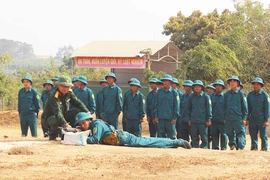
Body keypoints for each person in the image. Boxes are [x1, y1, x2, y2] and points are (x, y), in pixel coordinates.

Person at [74, 112, 191, 149]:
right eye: (80, 124)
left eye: (83, 122)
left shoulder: (96, 124)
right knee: (148, 143)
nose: (82, 125)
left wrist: (78, 137)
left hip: (124, 137)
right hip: (121, 139)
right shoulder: (93, 125)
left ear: (89, 120)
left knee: (148, 142)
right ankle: (174, 143)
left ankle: (177, 142)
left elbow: (94, 139)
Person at [41, 76, 90, 140]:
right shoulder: (53, 96)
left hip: (62, 115)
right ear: (58, 85)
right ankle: (52, 135)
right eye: (63, 86)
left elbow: (77, 103)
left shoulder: (69, 93)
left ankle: (72, 133)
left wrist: (87, 112)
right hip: (49, 119)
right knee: (56, 119)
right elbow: (57, 113)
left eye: (67, 86)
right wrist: (65, 124)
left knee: (77, 111)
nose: (65, 89)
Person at [224, 75, 248, 150]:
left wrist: (244, 118)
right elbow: (224, 107)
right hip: (229, 117)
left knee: (240, 133)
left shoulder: (241, 94)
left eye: (234, 81)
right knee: (230, 133)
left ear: (237, 83)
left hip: (238, 117)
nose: (232, 83)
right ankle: (232, 145)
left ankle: (240, 147)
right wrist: (225, 118)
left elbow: (245, 107)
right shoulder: (226, 94)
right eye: (231, 82)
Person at [154, 74, 180, 139]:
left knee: (171, 136)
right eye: (164, 81)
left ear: (170, 82)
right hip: (161, 118)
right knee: (160, 136)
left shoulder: (174, 93)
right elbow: (156, 105)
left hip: (170, 119)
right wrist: (156, 116)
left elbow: (176, 106)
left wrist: (175, 118)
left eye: (166, 81)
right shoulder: (159, 92)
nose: (165, 82)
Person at [247, 77, 269, 151]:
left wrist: (266, 120)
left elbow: (267, 108)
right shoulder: (250, 95)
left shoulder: (265, 96)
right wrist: (247, 119)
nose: (256, 86)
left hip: (261, 118)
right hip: (253, 118)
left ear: (261, 85)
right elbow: (248, 108)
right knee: (253, 134)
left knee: (263, 135)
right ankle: (254, 148)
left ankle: (264, 149)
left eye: (257, 84)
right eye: (254, 84)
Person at [188, 80, 212, 149]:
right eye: (195, 86)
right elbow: (189, 109)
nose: (197, 88)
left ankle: (204, 149)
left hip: (203, 121)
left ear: (202, 88)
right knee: (194, 137)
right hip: (194, 121)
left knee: (204, 137)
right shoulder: (191, 97)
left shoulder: (206, 97)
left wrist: (208, 119)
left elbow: (209, 109)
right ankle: (196, 149)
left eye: (199, 86)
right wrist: (189, 119)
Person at [211, 79, 227, 150]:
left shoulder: (226, 96)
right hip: (214, 120)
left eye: (219, 86)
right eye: (216, 86)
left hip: (223, 120)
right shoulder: (211, 97)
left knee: (224, 135)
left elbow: (228, 108)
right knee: (214, 135)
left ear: (222, 87)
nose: (218, 87)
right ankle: (215, 149)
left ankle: (224, 148)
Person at [205, 83, 216, 149]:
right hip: (207, 119)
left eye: (211, 89)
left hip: (215, 119)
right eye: (208, 89)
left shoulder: (215, 97)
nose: (209, 90)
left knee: (214, 135)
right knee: (207, 134)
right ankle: (207, 147)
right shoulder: (205, 97)